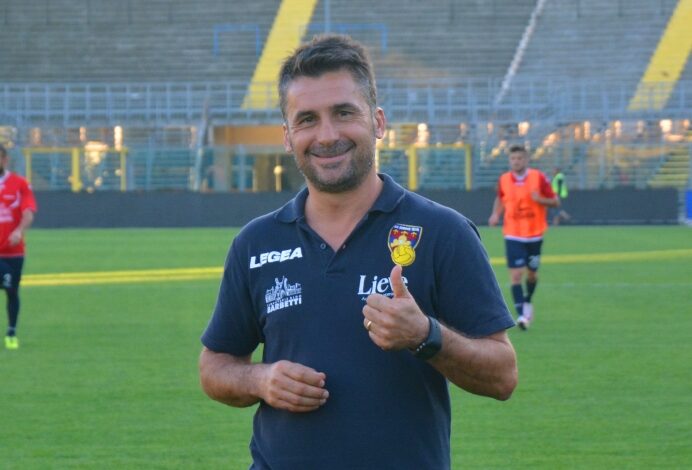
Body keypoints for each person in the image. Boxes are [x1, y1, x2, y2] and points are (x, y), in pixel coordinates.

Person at [199, 34, 518, 469]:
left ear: (378, 122)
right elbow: (215, 365)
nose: (327, 135)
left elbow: (502, 375)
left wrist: (426, 336)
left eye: (344, 113)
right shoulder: (256, 243)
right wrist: (260, 379)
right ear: (288, 137)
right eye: (307, 120)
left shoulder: (443, 231)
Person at [488, 145, 559, 330]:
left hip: (534, 234)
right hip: (513, 234)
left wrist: (540, 200)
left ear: (526, 160)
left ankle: (527, 300)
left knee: (532, 274)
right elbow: (500, 198)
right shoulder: (504, 179)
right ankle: (521, 315)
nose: (516, 161)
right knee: (516, 275)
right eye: (513, 159)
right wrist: (495, 214)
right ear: (510, 161)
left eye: (520, 158)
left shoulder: (538, 177)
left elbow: (555, 201)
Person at [0, 144, 37, 350]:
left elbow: (28, 213)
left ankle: (11, 332)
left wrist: (18, 231)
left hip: (14, 252)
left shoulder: (19, 184)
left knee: (12, 292)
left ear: (4, 160)